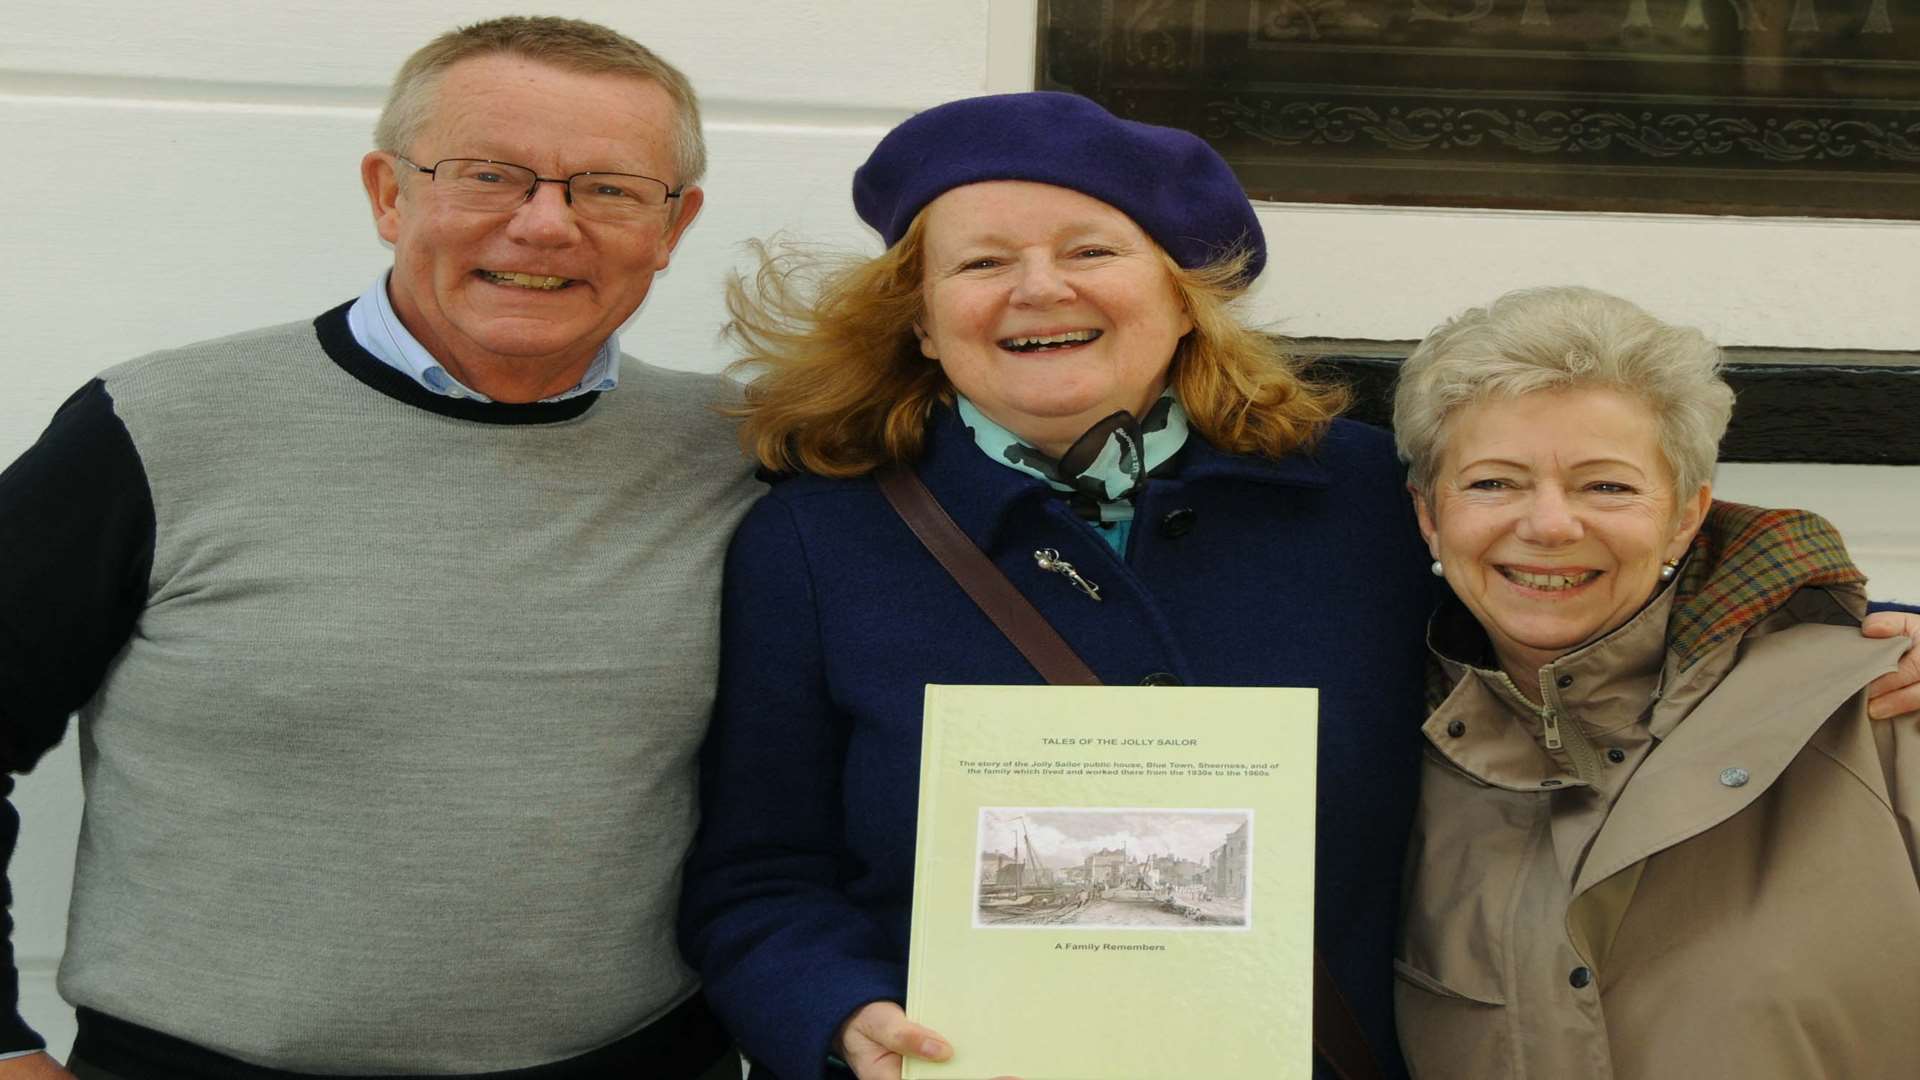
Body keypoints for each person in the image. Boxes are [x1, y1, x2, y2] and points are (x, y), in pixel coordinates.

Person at [676, 93, 1920, 1080]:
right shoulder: (818, 542)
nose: (1037, 289)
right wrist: (838, 1016)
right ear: (923, 316)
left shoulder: (1351, 492)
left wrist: (1841, 622)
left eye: (1091, 248)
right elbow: (759, 876)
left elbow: (1581, 578)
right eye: (981, 261)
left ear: (1182, 295)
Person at [0, 16, 758, 1080]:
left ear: (674, 224)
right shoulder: (160, 429)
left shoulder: (739, 455)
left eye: (609, 188)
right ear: (388, 193)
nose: (546, 226)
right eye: (490, 176)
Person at [1390, 286, 1920, 1078]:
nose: (1549, 525)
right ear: (1429, 514)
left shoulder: (1879, 714)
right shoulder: (1377, 748)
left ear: (1685, 515)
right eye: (1493, 482)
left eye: (1606, 485)